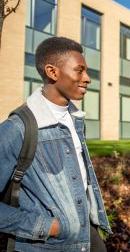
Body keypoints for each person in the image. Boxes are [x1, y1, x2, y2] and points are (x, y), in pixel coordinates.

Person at [0, 37, 111, 251]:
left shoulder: (76, 119)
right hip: (48, 245)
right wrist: (48, 227)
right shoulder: (16, 129)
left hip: (87, 236)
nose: (87, 78)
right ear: (52, 72)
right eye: (79, 71)